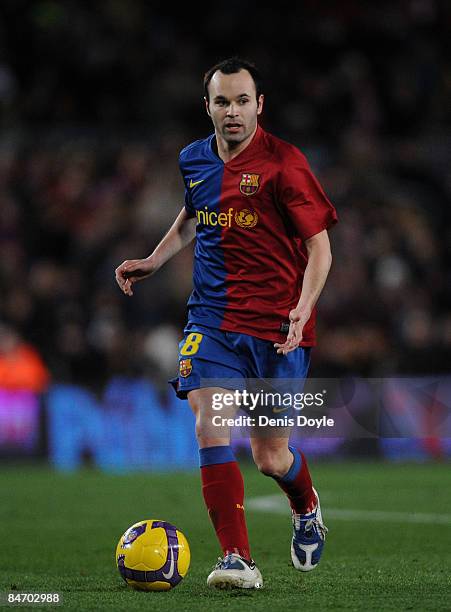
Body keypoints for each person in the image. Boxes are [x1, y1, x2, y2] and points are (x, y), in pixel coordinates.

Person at [115, 57, 337, 590]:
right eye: (222, 101)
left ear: (259, 105)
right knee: (209, 421)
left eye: (242, 101)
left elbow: (319, 247)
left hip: (277, 329)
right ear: (208, 107)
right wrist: (153, 259)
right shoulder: (193, 159)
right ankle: (237, 559)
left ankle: (305, 504)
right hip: (211, 319)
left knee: (270, 455)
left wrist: (305, 305)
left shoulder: (286, 164)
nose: (232, 111)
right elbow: (194, 216)